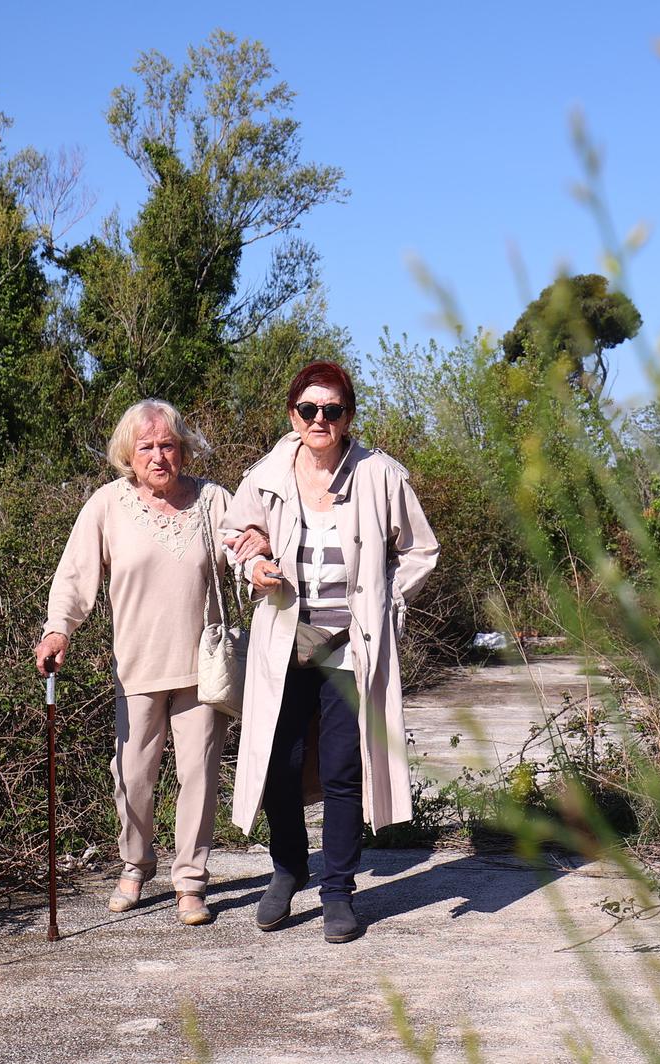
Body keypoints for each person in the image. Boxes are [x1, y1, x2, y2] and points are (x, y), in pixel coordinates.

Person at [224, 361, 439, 943]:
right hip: (284, 641)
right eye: (309, 410)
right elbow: (234, 536)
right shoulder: (267, 474)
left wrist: (386, 602)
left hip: (351, 646)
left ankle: (339, 891)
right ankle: (288, 869)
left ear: (348, 416)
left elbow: (420, 550)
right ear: (292, 413)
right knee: (280, 762)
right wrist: (254, 563)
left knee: (345, 769)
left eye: (333, 410)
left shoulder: (381, 475)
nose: (320, 420)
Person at [34, 399, 231, 926]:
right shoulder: (108, 505)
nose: (158, 456)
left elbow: (245, 546)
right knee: (133, 776)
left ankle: (190, 882)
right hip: (138, 667)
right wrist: (58, 630)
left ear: (183, 449)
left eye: (168, 445)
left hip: (202, 668)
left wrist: (260, 560)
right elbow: (75, 576)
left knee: (198, 775)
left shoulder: (212, 501)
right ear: (128, 452)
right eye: (146, 446)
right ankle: (135, 866)